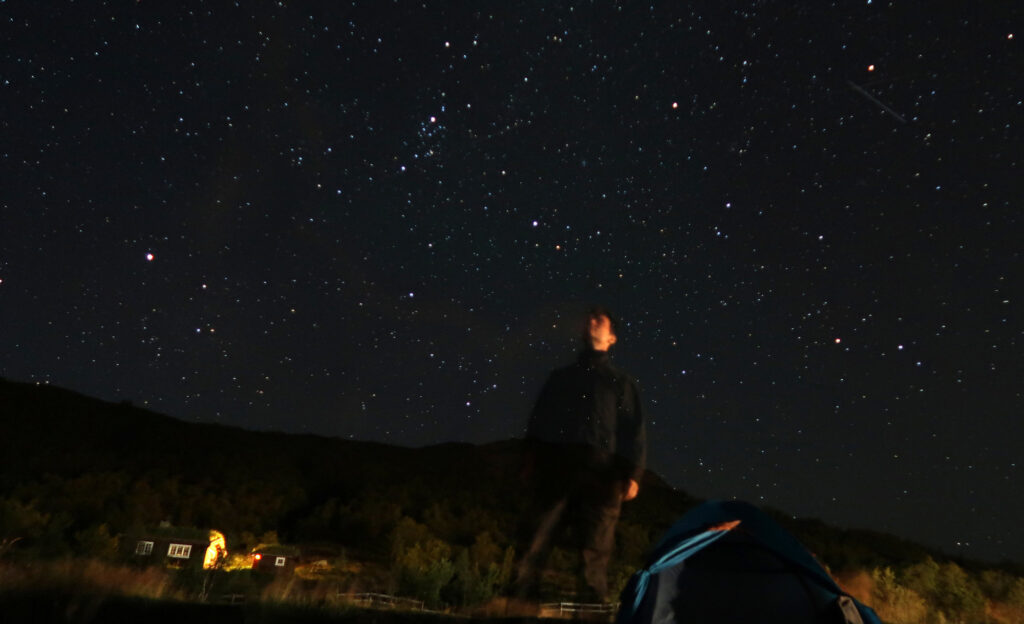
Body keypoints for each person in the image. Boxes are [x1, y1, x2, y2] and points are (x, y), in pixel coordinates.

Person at [515, 306, 647, 604]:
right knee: (535, 538)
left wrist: (634, 474)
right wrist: (529, 461)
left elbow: (633, 430)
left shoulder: (621, 383)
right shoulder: (560, 378)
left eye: (600, 320)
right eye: (589, 318)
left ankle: (592, 613)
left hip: (602, 474)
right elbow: (538, 421)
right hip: (556, 467)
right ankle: (520, 606)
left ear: (611, 338)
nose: (591, 321)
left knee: (595, 551)